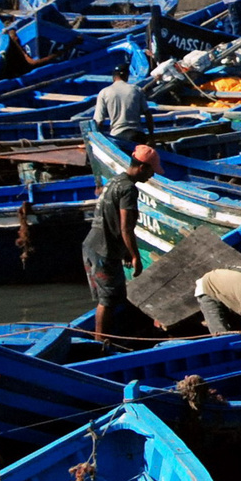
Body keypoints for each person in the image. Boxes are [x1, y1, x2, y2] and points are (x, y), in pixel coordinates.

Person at [84, 145, 158, 340]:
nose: (152, 176)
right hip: (103, 250)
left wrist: (124, 251)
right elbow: (126, 227)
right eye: (151, 171)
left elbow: (112, 220)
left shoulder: (115, 180)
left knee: (109, 297)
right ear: (142, 167)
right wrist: (135, 256)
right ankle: (101, 343)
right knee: (107, 301)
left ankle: (107, 338)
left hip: (92, 245)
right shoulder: (128, 189)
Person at [94, 63, 150, 147]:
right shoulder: (136, 89)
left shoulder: (104, 92)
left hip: (118, 136)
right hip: (138, 134)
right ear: (127, 76)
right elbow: (148, 114)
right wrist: (151, 137)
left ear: (113, 77)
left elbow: (99, 121)